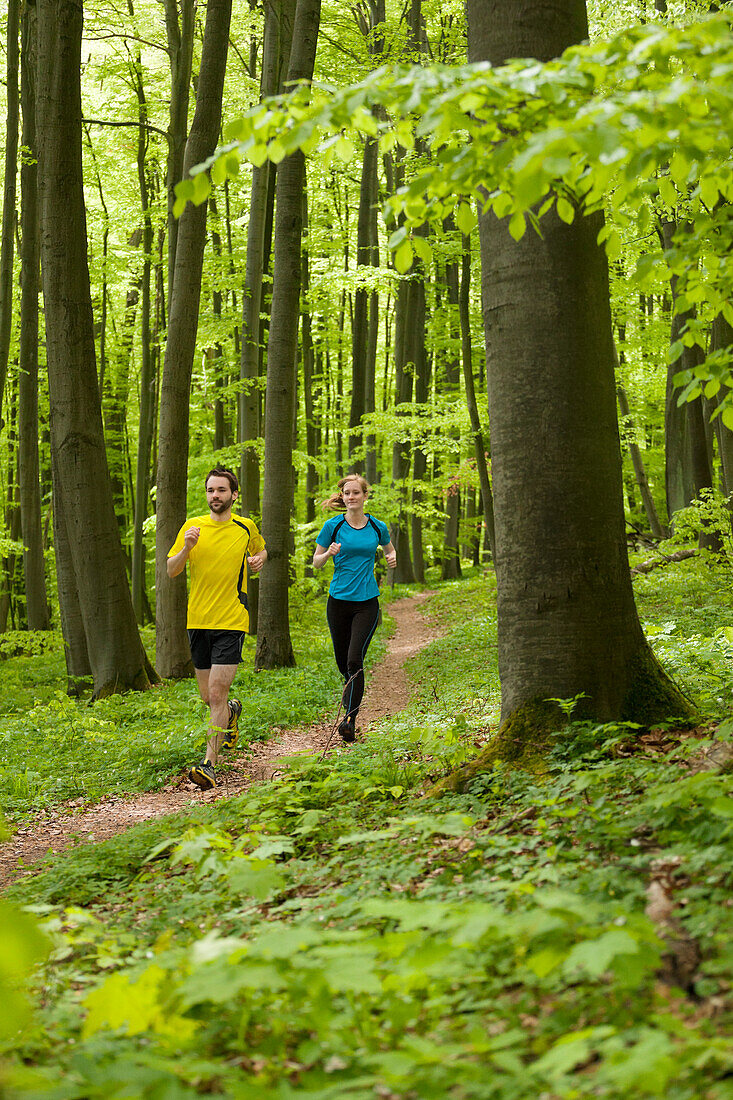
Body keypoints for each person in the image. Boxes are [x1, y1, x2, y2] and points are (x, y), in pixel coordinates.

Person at [167, 465, 267, 789]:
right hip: (197, 620)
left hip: (232, 619)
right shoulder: (192, 527)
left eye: (221, 490)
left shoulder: (245, 527)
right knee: (208, 698)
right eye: (211, 490)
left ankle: (209, 765)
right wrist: (186, 548)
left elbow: (260, 549)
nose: (215, 496)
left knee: (216, 691)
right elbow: (171, 570)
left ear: (234, 495)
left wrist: (260, 559)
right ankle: (232, 713)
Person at [313, 474, 396, 742]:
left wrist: (391, 557)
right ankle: (350, 693)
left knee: (354, 660)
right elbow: (316, 562)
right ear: (343, 497)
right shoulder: (333, 526)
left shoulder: (377, 526)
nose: (351, 497)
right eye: (347, 493)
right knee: (342, 662)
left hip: (367, 602)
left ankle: (349, 720)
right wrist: (329, 554)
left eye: (356, 493)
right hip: (337, 601)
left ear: (365, 496)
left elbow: (389, 549)